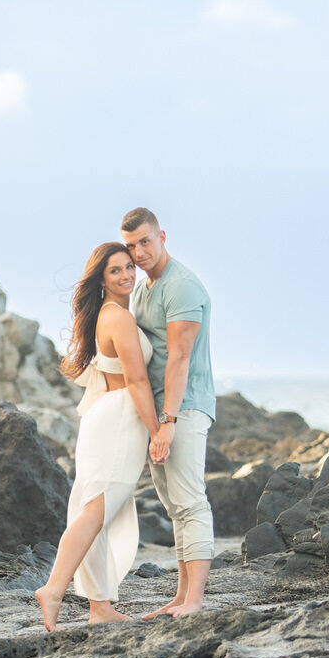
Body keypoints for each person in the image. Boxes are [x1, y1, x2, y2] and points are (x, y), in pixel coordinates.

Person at [35, 242, 162, 631]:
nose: (126, 275)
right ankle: (54, 588)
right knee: (98, 510)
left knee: (98, 509)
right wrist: (158, 431)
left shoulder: (110, 314)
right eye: (115, 271)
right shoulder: (118, 319)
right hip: (120, 418)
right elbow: (138, 381)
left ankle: (99, 606)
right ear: (102, 280)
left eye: (129, 268)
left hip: (104, 414)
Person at [120, 208, 216, 618]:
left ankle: (194, 601)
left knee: (191, 502)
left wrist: (169, 423)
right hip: (159, 414)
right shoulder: (144, 289)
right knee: (175, 506)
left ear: (161, 236)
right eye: (130, 246)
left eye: (144, 241)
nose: (138, 252)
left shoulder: (182, 287)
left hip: (185, 408)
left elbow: (179, 357)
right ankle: (180, 596)